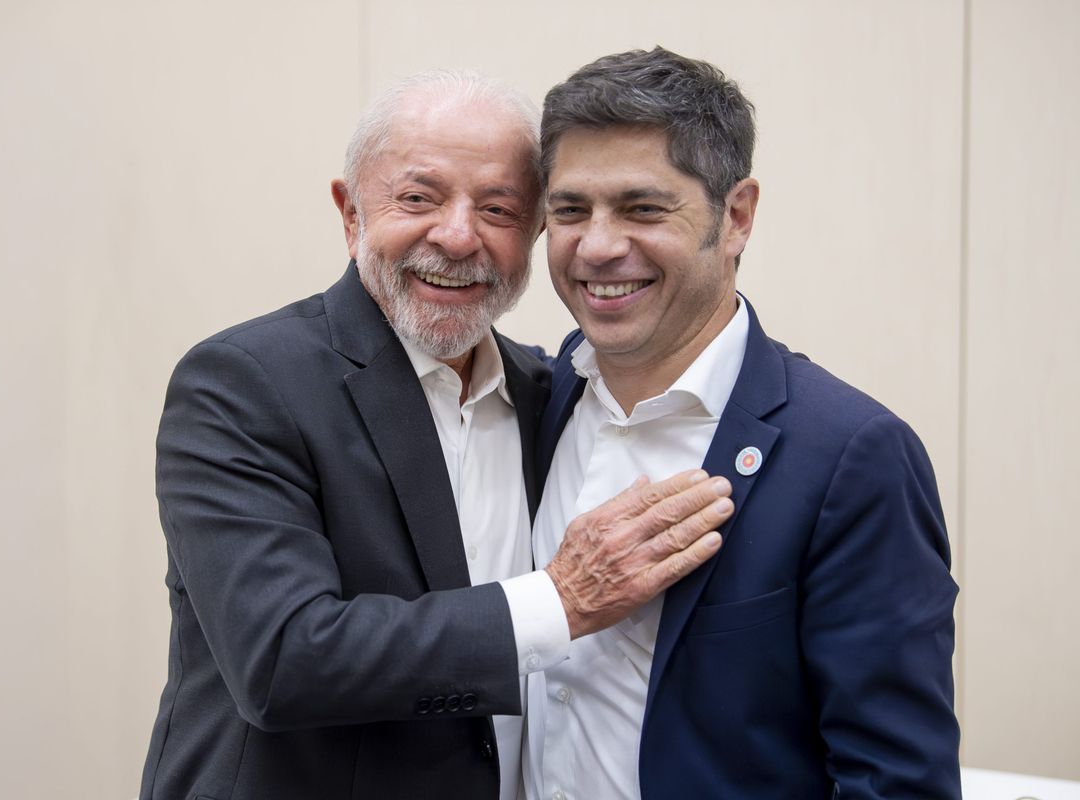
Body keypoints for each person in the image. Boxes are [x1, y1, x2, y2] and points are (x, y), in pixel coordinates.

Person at [139, 70, 734, 800]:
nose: (458, 236)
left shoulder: (548, 392)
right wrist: (561, 600)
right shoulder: (243, 384)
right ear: (350, 213)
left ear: (537, 232)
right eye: (418, 198)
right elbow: (282, 661)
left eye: (499, 208)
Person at [524, 48, 961, 800]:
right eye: (570, 210)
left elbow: (897, 781)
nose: (596, 246)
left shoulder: (850, 456)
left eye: (642, 208)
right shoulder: (531, 399)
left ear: (737, 217)